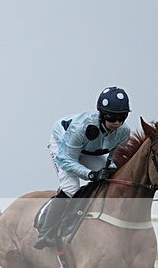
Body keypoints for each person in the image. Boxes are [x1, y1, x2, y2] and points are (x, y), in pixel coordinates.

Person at [34, 86, 132, 249]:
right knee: (71, 188)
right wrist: (91, 175)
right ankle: (45, 232)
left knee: (110, 179)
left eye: (121, 118)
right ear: (102, 114)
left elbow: (114, 155)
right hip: (63, 147)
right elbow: (66, 160)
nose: (117, 123)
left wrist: (109, 167)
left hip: (89, 149)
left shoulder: (123, 132)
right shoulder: (81, 128)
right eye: (112, 117)